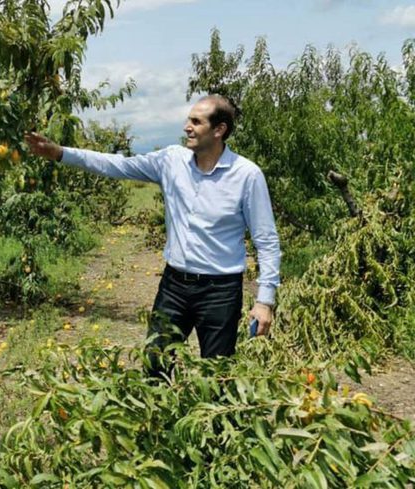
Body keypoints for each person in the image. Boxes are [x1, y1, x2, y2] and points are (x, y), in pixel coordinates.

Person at [24, 94, 281, 377]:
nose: (187, 127)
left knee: (218, 375)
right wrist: (60, 153)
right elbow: (116, 165)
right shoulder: (171, 161)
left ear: (219, 130)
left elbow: (266, 241)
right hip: (175, 287)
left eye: (196, 121)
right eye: (188, 119)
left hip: (220, 292)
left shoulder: (246, 175)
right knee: (155, 366)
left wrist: (264, 301)